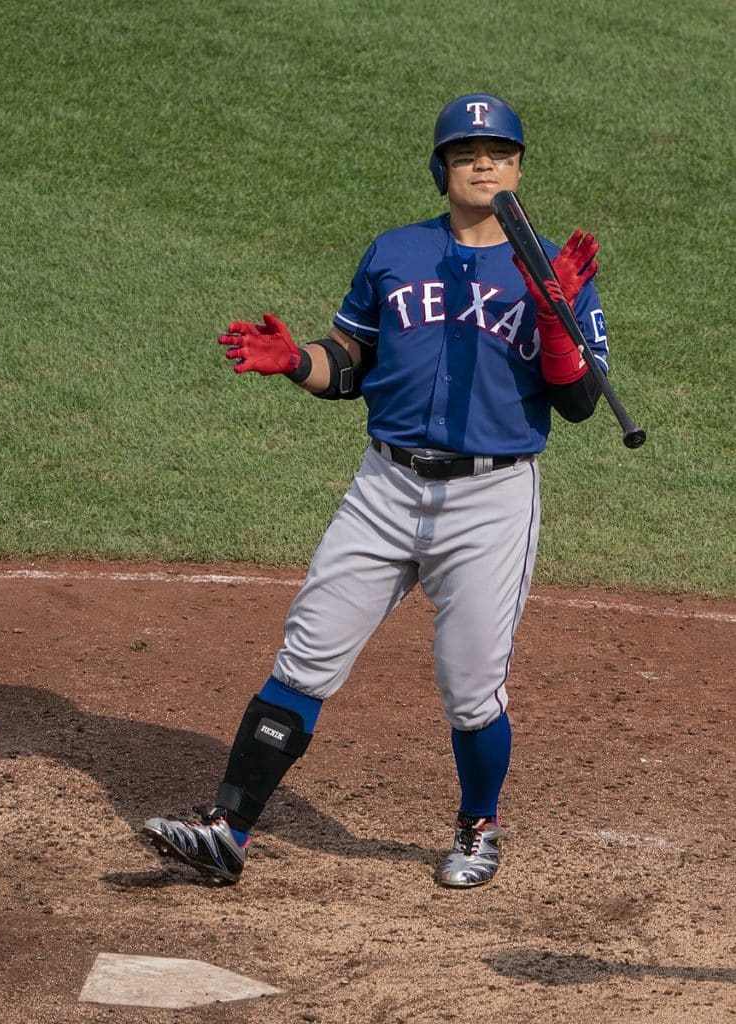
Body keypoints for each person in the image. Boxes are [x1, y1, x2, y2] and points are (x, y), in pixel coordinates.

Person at [142, 92, 609, 889]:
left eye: (499, 151)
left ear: (520, 166)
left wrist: (560, 319)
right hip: (386, 485)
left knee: (471, 687)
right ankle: (228, 832)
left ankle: (478, 823)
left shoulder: (554, 271)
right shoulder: (395, 252)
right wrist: (299, 362)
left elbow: (578, 402)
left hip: (490, 500)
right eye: (466, 153)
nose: (484, 163)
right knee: (307, 653)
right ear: (442, 169)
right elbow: (350, 363)